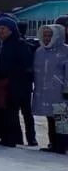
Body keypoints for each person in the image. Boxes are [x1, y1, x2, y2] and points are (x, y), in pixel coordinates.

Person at [0, 14, 35, 147]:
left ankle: (13, 138)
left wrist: (11, 73)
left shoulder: (20, 45)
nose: (0, 31)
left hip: (14, 83)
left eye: (4, 28)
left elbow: (26, 65)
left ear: (11, 30)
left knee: (11, 112)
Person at [31, 24, 68, 154]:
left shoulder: (65, 51)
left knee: (61, 119)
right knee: (50, 118)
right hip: (45, 91)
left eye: (49, 35)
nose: (46, 38)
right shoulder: (40, 51)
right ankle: (53, 143)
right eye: (44, 35)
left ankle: (62, 145)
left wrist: (66, 90)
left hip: (60, 91)